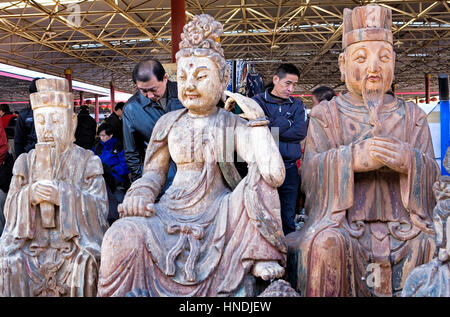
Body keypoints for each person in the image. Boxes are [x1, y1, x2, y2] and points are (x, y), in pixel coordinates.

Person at [97, 14, 286, 297]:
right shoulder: (169, 122)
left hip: (220, 211)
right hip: (170, 210)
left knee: (257, 179)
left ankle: (258, 251)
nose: (189, 85)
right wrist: (142, 192)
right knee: (119, 236)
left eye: (200, 77)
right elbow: (153, 173)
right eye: (183, 76)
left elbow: (274, 174)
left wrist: (258, 120)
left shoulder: (231, 122)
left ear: (223, 80)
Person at [286, 4, 440, 297]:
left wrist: (410, 161)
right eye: (361, 57)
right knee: (326, 245)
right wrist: (351, 159)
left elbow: (433, 174)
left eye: (383, 58)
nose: (373, 67)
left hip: (405, 224)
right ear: (343, 66)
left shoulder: (412, 117)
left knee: (431, 243)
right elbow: (310, 174)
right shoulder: (326, 116)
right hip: (341, 223)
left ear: (393, 64)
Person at [0, 78, 108, 297]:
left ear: (73, 123)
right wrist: (28, 195)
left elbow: (100, 208)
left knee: (85, 262)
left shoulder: (88, 161)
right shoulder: (25, 162)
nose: (47, 129)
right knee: (10, 260)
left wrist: (65, 195)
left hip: (74, 243)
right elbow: (9, 207)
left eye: (55, 121)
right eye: (41, 122)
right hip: (32, 242)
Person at [252, 63, 308, 235]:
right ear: (276, 79)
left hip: (289, 169)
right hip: (263, 169)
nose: (291, 88)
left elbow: (300, 132)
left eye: (294, 85)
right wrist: (288, 122)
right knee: (261, 215)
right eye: (287, 83)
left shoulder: (297, 105)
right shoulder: (257, 102)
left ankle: (288, 256)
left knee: (288, 216)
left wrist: (273, 126)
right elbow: (261, 133)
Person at [122, 58, 184, 184]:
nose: (150, 96)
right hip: (159, 180)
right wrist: (143, 182)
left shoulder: (185, 94)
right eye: (143, 91)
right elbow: (132, 153)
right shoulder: (131, 109)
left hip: (191, 175)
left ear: (165, 78)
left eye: (153, 89)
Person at [92, 123, 130, 225]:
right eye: (100, 135)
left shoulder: (119, 146)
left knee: (117, 201)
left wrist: (112, 169)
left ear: (111, 135)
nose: (101, 138)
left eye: (104, 136)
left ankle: (121, 219)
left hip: (115, 178)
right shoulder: (97, 146)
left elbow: (125, 165)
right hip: (100, 177)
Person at [14, 78, 40, 159]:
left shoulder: (24, 115)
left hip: (30, 153)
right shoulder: (24, 115)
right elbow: (18, 141)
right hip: (30, 156)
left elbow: (18, 141)